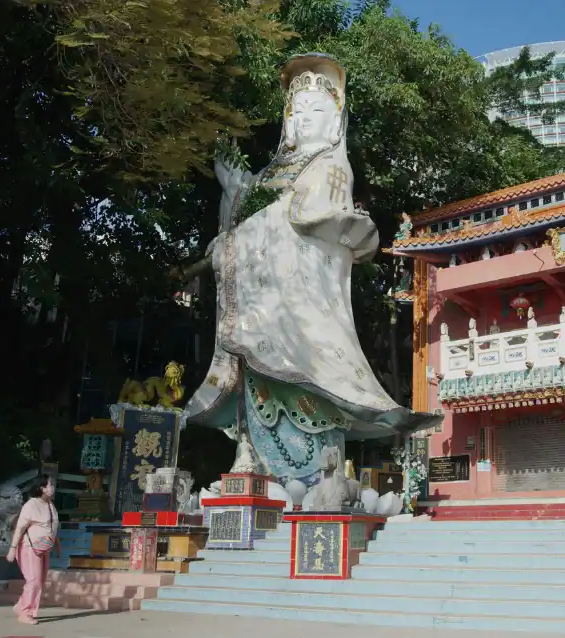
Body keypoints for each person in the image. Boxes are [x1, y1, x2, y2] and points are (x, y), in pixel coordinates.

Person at [185, 53, 440, 485]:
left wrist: (249, 230)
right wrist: (234, 191)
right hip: (259, 305)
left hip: (302, 303)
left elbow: (310, 219)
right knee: (250, 364)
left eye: (317, 111)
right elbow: (244, 218)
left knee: (302, 380)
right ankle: (248, 454)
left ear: (335, 122)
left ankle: (315, 471)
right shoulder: (270, 171)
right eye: (297, 112)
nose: (305, 120)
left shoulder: (332, 166)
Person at [5, 477, 59, 624]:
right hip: (30, 547)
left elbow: (51, 526)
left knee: (39, 581)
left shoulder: (49, 504)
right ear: (42, 488)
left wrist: (57, 543)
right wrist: (12, 548)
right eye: (50, 485)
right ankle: (25, 612)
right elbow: (20, 528)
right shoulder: (31, 505)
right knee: (33, 581)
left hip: (44, 547)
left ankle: (22, 606)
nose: (52, 488)